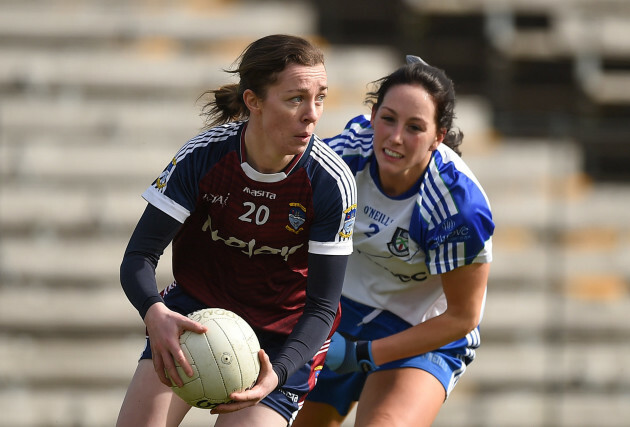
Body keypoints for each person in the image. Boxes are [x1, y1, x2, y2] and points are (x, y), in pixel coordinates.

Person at [115, 34, 357, 427]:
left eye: (321, 97)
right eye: (295, 98)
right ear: (254, 101)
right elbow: (139, 258)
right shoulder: (204, 156)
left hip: (283, 341)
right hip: (197, 316)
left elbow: (322, 307)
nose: (312, 114)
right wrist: (154, 312)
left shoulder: (330, 182)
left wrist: (277, 373)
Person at [293, 56, 494, 427]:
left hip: (419, 334)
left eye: (415, 127)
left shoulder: (458, 208)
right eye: (388, 119)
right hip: (335, 318)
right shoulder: (342, 158)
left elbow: (463, 316)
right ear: (372, 116)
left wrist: (364, 353)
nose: (396, 137)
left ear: (438, 136)